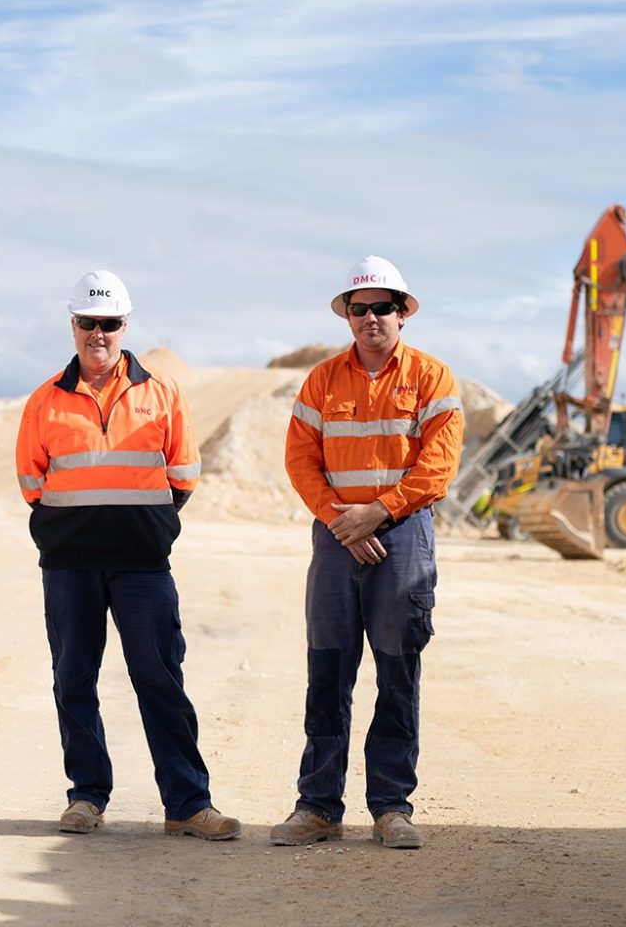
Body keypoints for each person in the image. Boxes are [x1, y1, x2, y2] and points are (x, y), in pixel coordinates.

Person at [16, 269, 240, 841]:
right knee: (73, 680)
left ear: (124, 325)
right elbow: (30, 482)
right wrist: (77, 529)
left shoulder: (162, 394)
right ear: (73, 325)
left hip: (143, 565)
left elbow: (184, 477)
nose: (98, 333)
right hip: (70, 566)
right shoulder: (45, 401)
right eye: (88, 323)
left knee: (160, 678)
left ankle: (188, 804)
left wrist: (149, 526)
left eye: (109, 323)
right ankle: (87, 797)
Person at [270, 256, 462, 849]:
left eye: (384, 307)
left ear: (403, 314)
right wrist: (339, 519)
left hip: (401, 533)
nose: (372, 318)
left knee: (397, 667)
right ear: (348, 316)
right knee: (327, 666)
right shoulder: (321, 381)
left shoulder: (432, 378)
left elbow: (439, 464)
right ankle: (318, 806)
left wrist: (378, 512)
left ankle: (390, 807)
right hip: (336, 535)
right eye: (361, 308)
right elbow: (301, 458)